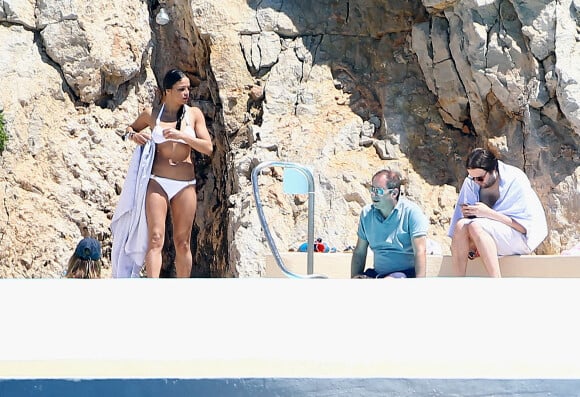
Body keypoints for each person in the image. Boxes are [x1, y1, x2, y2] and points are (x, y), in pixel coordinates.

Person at [111, 69, 213, 278]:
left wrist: (183, 137)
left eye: (188, 89)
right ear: (167, 91)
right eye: (181, 89)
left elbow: (208, 147)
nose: (186, 93)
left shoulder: (194, 115)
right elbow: (130, 128)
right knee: (156, 237)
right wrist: (132, 136)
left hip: (185, 184)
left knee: (182, 241)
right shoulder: (152, 114)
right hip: (157, 181)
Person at [448, 147, 548, 277]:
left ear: (493, 170)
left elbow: (524, 228)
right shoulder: (472, 182)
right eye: (473, 178)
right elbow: (461, 227)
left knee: (475, 225)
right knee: (461, 224)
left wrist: (488, 213)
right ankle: (458, 281)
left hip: (520, 237)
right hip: (487, 236)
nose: (476, 182)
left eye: (480, 178)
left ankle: (496, 281)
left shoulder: (515, 179)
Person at [351, 169, 429, 278]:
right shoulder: (366, 214)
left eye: (379, 191)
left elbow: (420, 251)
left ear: (394, 193)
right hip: (377, 275)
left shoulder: (411, 212)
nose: (373, 195)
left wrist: (419, 284)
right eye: (372, 190)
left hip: (405, 275)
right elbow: (359, 252)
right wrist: (354, 278)